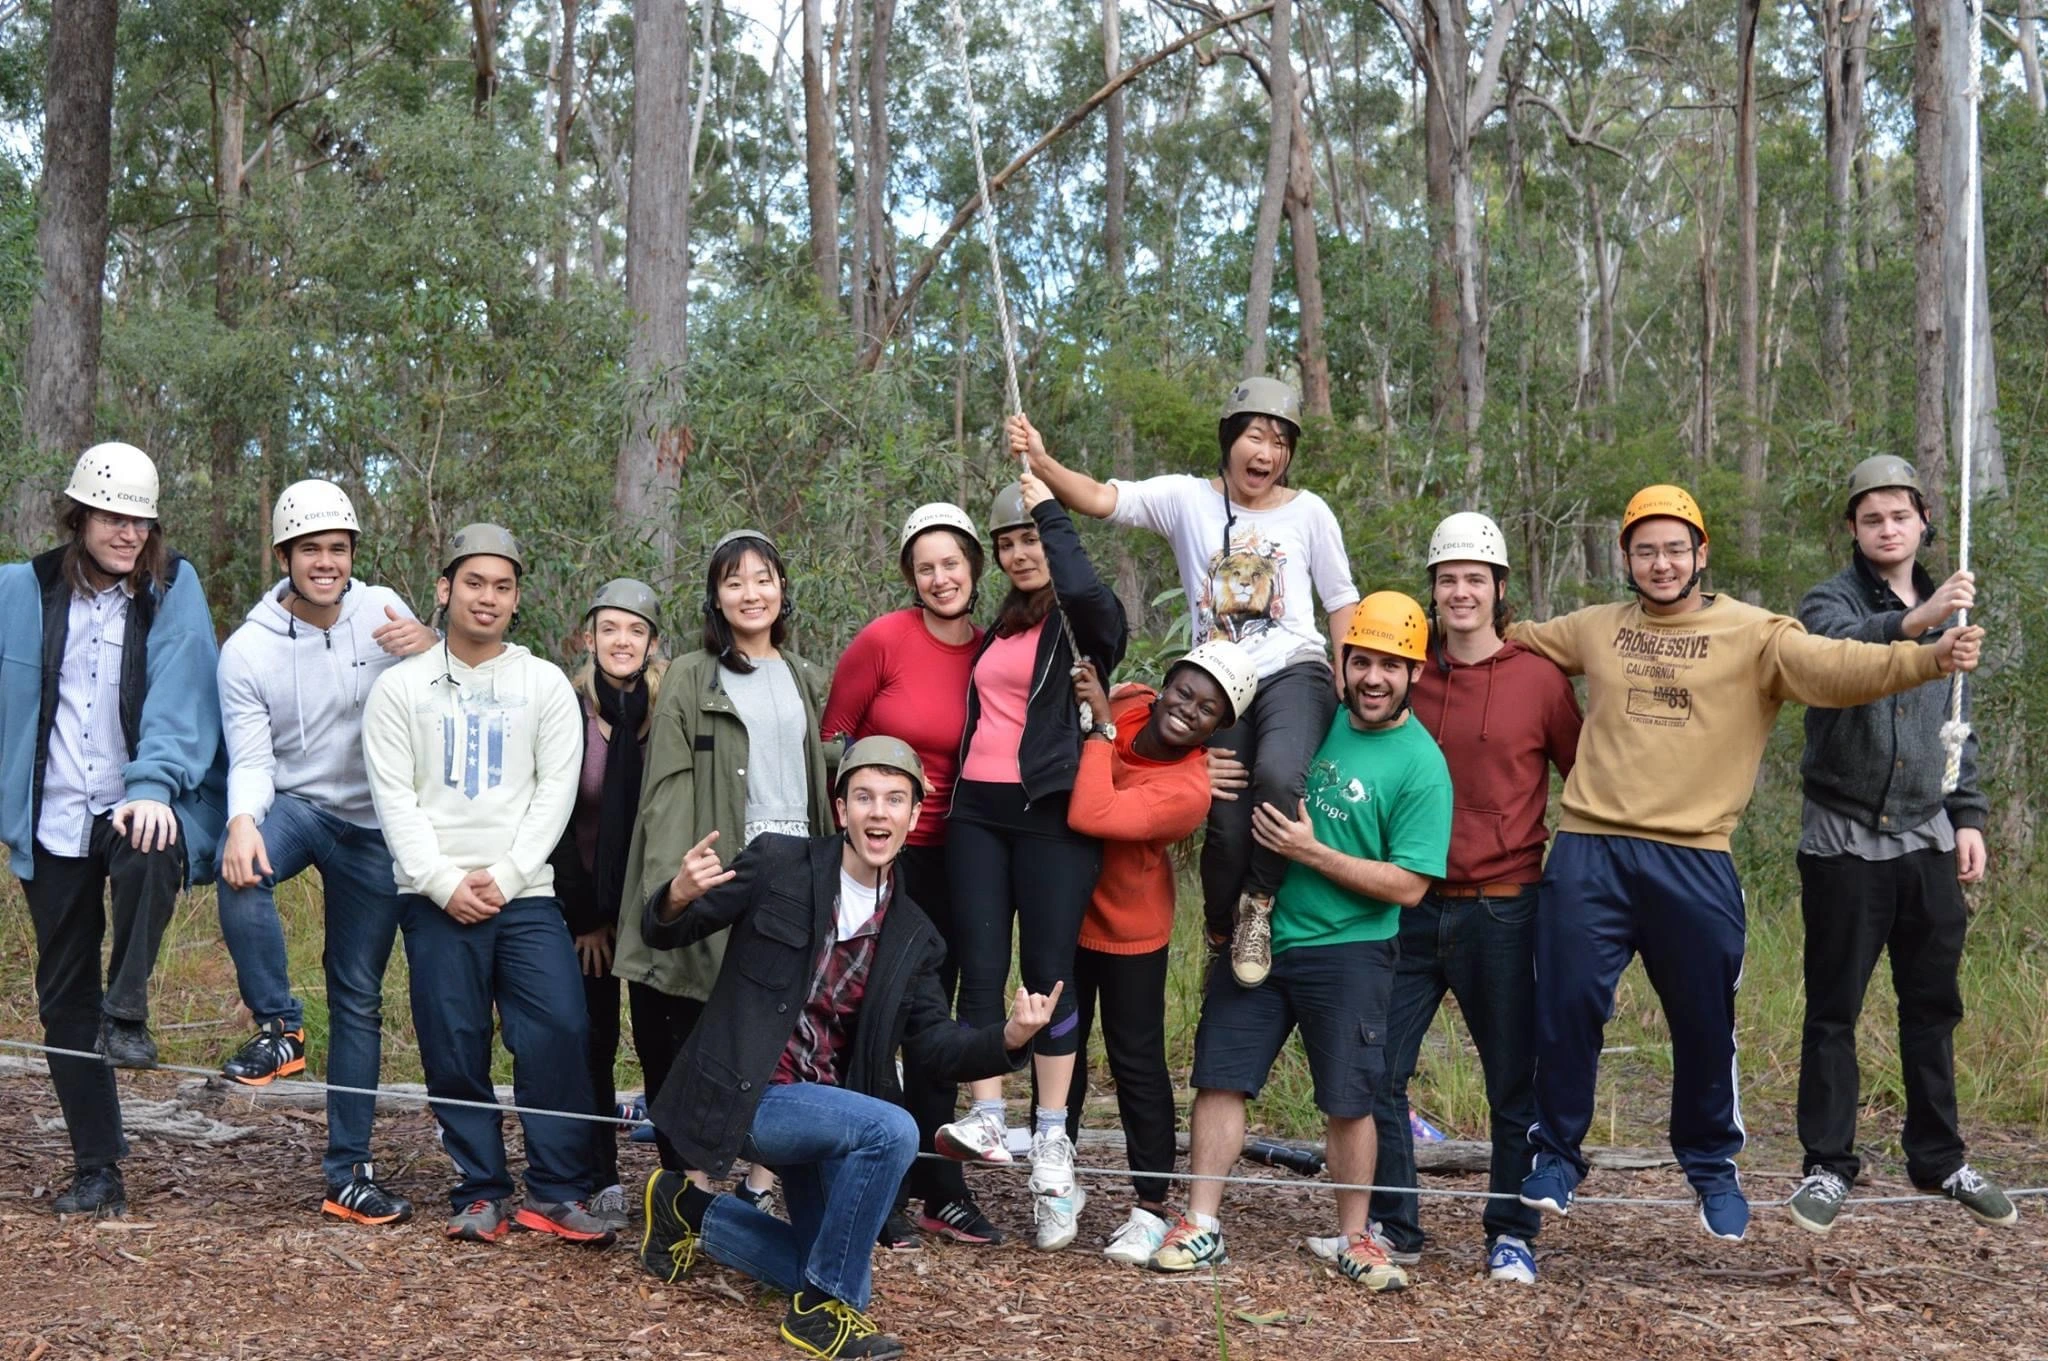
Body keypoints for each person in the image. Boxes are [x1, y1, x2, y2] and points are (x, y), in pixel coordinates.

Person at [1505, 484, 1986, 1244]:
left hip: (1693, 856)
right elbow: (1511, 639)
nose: (1660, 564)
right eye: (1644, 550)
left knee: (1705, 1022)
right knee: (1566, 1010)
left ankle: (1710, 1166)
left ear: (1701, 553)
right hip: (1590, 850)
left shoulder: (1756, 633)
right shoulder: (1595, 628)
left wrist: (1926, 660)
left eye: (1674, 548)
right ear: (1625, 559)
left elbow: (1838, 667)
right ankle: (1556, 1154)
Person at [634, 738, 1062, 1361]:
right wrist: (676, 894)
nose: (878, 813)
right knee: (891, 1130)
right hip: (746, 1093)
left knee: (830, 1273)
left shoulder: (916, 935)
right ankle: (815, 1317)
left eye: (895, 799)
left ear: (916, 816)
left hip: (824, 1112)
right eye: (864, 797)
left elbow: (934, 1045)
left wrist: (1010, 1040)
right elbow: (668, 932)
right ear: (841, 809)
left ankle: (687, 1208)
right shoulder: (779, 863)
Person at [1011, 379, 1359, 990]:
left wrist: (1349, 673)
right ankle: (1221, 930)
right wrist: (1041, 461)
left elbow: (1339, 599)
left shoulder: (1310, 512)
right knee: (1221, 821)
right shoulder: (1185, 499)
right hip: (1221, 684)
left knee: (1278, 777)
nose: (1267, 453)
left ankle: (1259, 904)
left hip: (1293, 672)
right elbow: (1098, 498)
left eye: (1281, 442)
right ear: (1230, 439)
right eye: (1256, 436)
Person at [1149, 592, 1450, 1293]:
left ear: (1414, 673)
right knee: (1220, 1075)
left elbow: (1409, 885)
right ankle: (1200, 1222)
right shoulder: (1311, 718)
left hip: (1350, 948)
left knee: (1350, 1097)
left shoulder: (1420, 763)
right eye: (1362, 661)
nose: (1373, 678)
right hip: (1262, 930)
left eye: (1390, 666)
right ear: (1341, 664)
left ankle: (1354, 1236)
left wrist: (1314, 853)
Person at [360, 523, 612, 1246]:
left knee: (559, 1028)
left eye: (502, 586)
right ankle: (480, 1188)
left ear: (516, 599)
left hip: (525, 894)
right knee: (453, 1042)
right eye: (474, 583)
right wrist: (444, 882)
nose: (487, 598)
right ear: (444, 590)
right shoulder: (400, 690)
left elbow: (553, 794)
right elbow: (395, 798)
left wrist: (501, 878)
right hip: (434, 895)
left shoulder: (543, 687)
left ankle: (558, 1190)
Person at [1785, 456, 2016, 1233]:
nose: (1888, 529)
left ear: (1922, 521)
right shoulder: (1828, 601)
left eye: (1900, 516)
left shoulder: (1951, 611)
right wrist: (1922, 623)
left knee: (1932, 1004)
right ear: (1853, 528)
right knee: (1834, 1009)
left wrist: (1971, 814)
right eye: (1872, 517)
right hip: (1844, 834)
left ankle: (1940, 1156)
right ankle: (1827, 1165)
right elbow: (1843, 652)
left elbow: (1959, 723)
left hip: (1927, 828)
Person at [0, 443, 226, 1218]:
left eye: (140, 518)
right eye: (112, 516)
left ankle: (127, 1013)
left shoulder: (173, 587)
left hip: (133, 798)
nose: (128, 532)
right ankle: (99, 1169)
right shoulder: (21, 589)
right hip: (52, 811)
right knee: (62, 995)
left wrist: (156, 783)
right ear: (80, 516)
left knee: (153, 845)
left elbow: (183, 685)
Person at [1361, 513, 1581, 1286]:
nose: (1460, 591)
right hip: (1409, 902)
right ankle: (1395, 1222)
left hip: (1504, 905)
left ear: (1499, 589)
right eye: (1447, 577)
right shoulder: (1404, 671)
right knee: (1378, 1069)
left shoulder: (1538, 678)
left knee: (1512, 1081)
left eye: (1474, 578)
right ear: (1433, 589)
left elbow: (1584, 774)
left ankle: (1511, 1231)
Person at [213, 479, 439, 1225]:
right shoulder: (247, 649)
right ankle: (280, 1027)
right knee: (240, 866)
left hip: (374, 825)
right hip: (301, 810)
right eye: (311, 549)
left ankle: (348, 1173)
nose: (326, 562)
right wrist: (244, 819)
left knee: (360, 997)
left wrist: (433, 646)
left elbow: (454, 689)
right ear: (285, 555)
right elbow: (250, 759)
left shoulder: (383, 610)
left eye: (338, 549)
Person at [931, 474, 1127, 1252]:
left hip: (1049, 811)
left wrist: (1048, 499)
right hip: (977, 810)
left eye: (1033, 539)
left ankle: (1052, 1138)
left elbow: (1084, 585)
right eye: (1008, 541)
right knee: (979, 966)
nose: (1021, 553)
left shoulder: (1085, 623)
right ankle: (988, 1114)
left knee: (1047, 971)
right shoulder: (999, 630)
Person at [617, 529, 835, 1201]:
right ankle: (694, 1188)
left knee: (784, 1031)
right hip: (730, 866)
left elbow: (818, 773)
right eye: (734, 580)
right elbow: (667, 791)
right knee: (701, 1023)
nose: (751, 592)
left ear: (781, 588)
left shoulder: (803, 674)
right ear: (716, 596)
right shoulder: (689, 673)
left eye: (763, 578)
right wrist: (673, 890)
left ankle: (763, 1183)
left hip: (797, 869)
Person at [820, 503, 1003, 1246]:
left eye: (951, 562)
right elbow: (835, 738)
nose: (939, 577)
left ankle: (939, 1184)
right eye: (924, 566)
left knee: (937, 1023)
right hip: (876, 852)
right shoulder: (883, 640)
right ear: (910, 575)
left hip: (958, 856)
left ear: (972, 567)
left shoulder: (992, 653)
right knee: (869, 1014)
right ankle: (873, 1178)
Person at [1063, 640, 1258, 1266]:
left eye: (1207, 710)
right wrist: (1108, 718)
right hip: (1066, 915)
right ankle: (1058, 1179)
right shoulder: (1131, 703)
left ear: (1218, 729)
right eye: (1184, 691)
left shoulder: (1189, 791)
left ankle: (1149, 1206)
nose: (1187, 710)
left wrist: (1100, 728)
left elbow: (1093, 810)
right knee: (1059, 1051)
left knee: (1136, 1064)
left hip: (1129, 928)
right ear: (1163, 684)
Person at [548, 577, 668, 1229]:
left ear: (652, 643)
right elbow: (557, 819)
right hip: (586, 905)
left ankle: (676, 1179)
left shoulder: (669, 708)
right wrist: (588, 917)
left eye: (636, 630)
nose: (622, 641)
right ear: (588, 638)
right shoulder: (566, 708)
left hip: (653, 913)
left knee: (660, 1043)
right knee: (592, 1040)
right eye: (610, 629)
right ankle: (600, 1175)